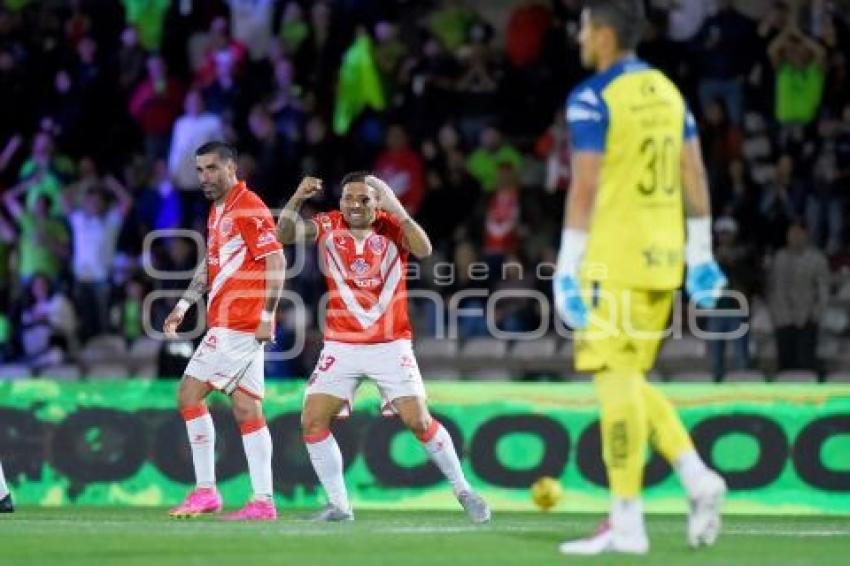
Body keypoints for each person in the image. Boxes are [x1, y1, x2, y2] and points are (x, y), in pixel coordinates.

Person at [553, 1, 727, 555]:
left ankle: (628, 523)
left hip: (615, 257)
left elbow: (584, 187)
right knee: (628, 378)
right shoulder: (667, 91)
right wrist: (701, 253)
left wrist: (566, 266)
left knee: (614, 381)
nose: (580, 36)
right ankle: (697, 478)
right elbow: (694, 171)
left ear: (602, 34)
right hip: (664, 257)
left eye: (584, 26)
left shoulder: (592, 96)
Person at [276, 172, 490, 523]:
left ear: (378, 202)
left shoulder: (392, 226)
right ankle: (339, 507)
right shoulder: (328, 224)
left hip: (390, 345)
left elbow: (424, 248)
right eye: (348, 198)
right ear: (340, 201)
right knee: (312, 420)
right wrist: (297, 197)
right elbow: (284, 234)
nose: (355, 205)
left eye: (364, 199)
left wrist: (397, 207)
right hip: (341, 345)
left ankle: (464, 491)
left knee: (418, 420)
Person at [163, 142, 285, 521]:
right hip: (231, 320)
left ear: (232, 167)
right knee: (247, 408)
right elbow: (210, 265)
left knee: (189, 394)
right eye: (199, 170)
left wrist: (267, 314)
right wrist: (183, 305)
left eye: (212, 168)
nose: (204, 177)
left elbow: (277, 260)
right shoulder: (219, 211)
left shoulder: (248, 207)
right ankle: (263, 501)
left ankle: (205, 492)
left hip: (240, 322)